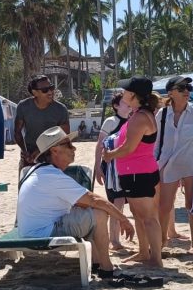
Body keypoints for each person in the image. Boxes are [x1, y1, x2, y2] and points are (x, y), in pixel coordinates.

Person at [17, 127, 133, 276]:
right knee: (99, 213)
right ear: (54, 150)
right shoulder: (52, 176)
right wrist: (124, 220)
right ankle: (107, 268)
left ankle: (97, 262)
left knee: (89, 212)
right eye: (68, 145)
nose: (74, 148)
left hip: (31, 231)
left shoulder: (38, 171)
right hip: (42, 234)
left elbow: (85, 202)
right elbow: (95, 200)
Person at [102, 77, 163, 268]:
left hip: (139, 173)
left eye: (127, 91)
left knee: (149, 218)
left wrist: (110, 155)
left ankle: (155, 259)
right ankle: (144, 252)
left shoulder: (139, 117)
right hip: (138, 171)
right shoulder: (141, 114)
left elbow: (128, 148)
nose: (123, 93)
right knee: (139, 215)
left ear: (134, 95)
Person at [156, 75, 193, 253]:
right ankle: (162, 241)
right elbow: (156, 142)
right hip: (168, 165)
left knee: (192, 205)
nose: (186, 91)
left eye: (188, 88)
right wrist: (155, 165)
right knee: (164, 206)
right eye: (181, 88)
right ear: (170, 93)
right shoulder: (162, 113)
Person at [95, 92, 133, 251]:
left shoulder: (134, 120)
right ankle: (114, 240)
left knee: (126, 202)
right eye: (125, 102)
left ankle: (117, 237)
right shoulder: (111, 122)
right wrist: (97, 167)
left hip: (129, 166)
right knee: (116, 202)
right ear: (116, 106)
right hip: (112, 168)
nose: (129, 104)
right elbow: (100, 146)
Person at [13, 74, 69, 172]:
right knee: (26, 185)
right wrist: (25, 151)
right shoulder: (23, 107)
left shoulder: (61, 110)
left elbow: (64, 136)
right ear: (35, 93)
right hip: (29, 157)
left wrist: (40, 151)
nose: (50, 92)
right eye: (45, 90)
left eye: (51, 88)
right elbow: (17, 132)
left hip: (53, 157)